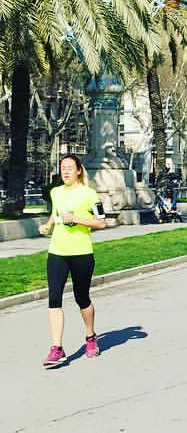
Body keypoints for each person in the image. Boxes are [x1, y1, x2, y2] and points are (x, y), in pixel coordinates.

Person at [37, 153, 108, 368]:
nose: (65, 171)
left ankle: (90, 336)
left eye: (69, 167)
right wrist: (48, 225)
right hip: (57, 252)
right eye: (62, 167)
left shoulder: (89, 194)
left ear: (78, 170)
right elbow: (56, 212)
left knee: (81, 297)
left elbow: (101, 223)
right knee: (54, 297)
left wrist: (76, 218)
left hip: (81, 253)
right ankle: (57, 348)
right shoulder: (56, 192)